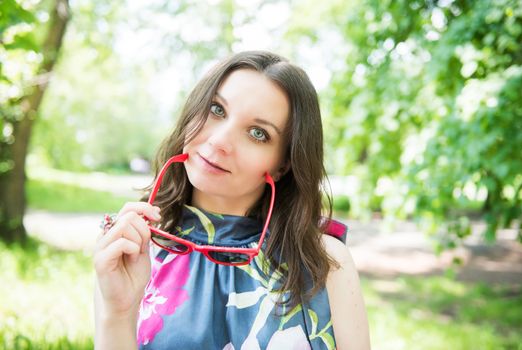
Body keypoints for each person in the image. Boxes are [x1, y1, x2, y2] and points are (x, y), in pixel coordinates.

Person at [94, 51, 370, 349]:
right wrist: (118, 314)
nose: (219, 141)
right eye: (216, 109)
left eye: (257, 133)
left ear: (283, 165)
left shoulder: (325, 262)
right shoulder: (133, 245)